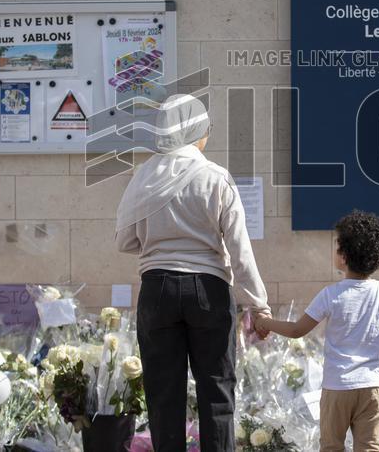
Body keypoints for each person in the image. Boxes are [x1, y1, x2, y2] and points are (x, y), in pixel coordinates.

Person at [115, 94, 271, 452]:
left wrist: (158, 242)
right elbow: (239, 248)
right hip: (209, 289)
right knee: (216, 390)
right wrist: (258, 304)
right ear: (196, 132)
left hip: (156, 289)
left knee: (163, 394)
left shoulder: (144, 176)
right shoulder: (215, 176)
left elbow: (124, 240)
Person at [254, 210, 379, 452]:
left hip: (338, 386)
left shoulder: (331, 294)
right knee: (370, 447)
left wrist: (265, 322)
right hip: (373, 386)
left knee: (331, 446)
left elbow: (297, 330)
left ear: (344, 256)